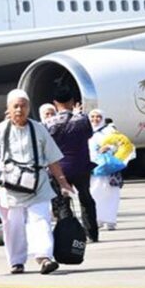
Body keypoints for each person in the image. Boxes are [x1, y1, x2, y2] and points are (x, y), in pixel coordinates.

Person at [0, 89, 73, 275]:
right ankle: (17, 261)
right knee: (12, 224)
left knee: (41, 219)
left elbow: (52, 159)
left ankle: (44, 257)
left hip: (38, 184)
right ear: (9, 109)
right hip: (8, 187)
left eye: (23, 105)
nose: (19, 110)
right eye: (15, 106)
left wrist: (63, 182)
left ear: (29, 108)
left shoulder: (39, 129)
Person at [46, 85, 99, 243]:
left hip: (58, 168)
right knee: (85, 198)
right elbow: (89, 135)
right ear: (72, 101)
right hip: (80, 165)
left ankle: (68, 232)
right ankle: (92, 233)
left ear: (55, 102)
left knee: (62, 202)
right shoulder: (82, 120)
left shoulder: (48, 123)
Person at [88, 110, 133, 231]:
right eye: (92, 116)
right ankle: (98, 219)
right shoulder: (86, 131)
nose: (95, 119)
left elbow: (122, 144)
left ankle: (111, 220)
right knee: (95, 193)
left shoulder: (110, 131)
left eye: (98, 117)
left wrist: (109, 147)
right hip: (94, 168)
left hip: (110, 168)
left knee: (112, 194)